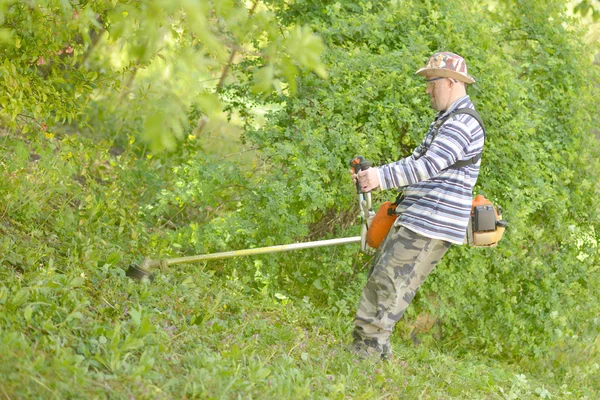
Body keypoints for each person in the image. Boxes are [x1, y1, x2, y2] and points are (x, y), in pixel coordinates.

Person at [351, 51, 485, 360]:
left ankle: (366, 357)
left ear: (451, 82)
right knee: (384, 280)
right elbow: (416, 162)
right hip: (420, 218)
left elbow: (428, 166)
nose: (427, 89)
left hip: (431, 223)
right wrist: (377, 175)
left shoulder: (462, 123)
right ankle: (372, 354)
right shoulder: (448, 119)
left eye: (431, 82)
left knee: (388, 284)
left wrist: (378, 178)